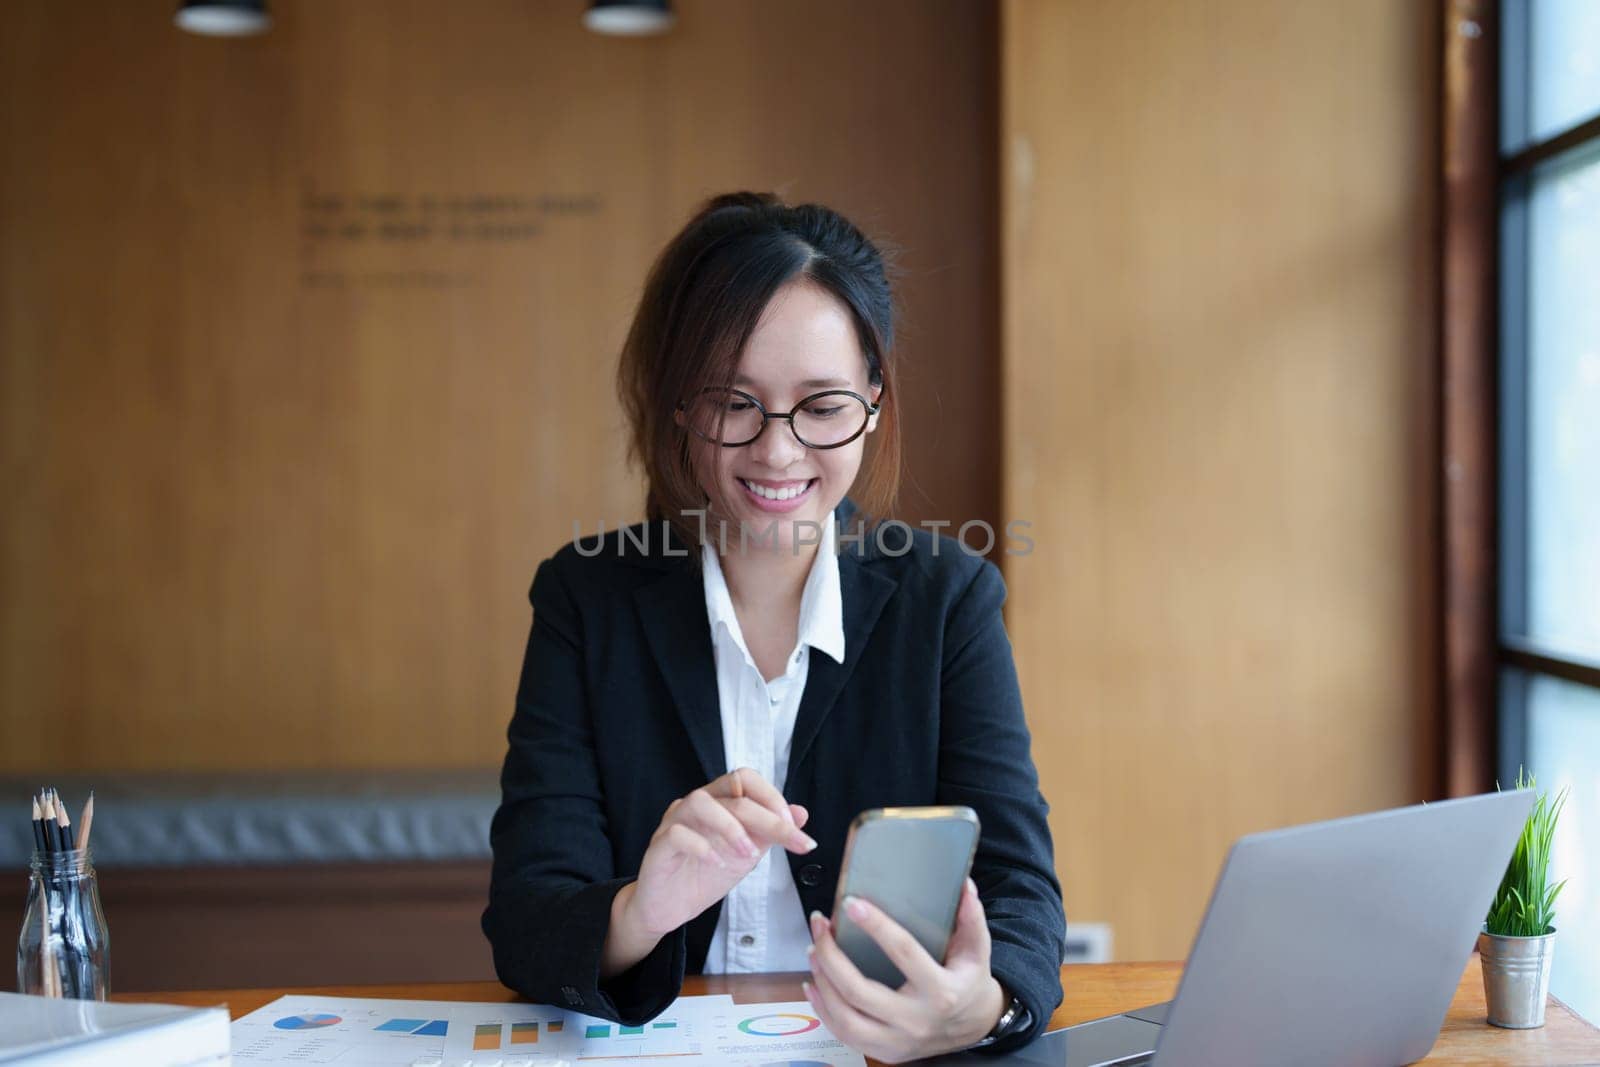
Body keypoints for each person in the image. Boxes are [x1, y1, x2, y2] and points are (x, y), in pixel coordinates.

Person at [483, 191, 1064, 1061]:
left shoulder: (948, 598)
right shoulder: (585, 598)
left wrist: (983, 1007)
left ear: (874, 399)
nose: (779, 452)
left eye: (823, 406)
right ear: (679, 404)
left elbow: (1020, 892)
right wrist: (644, 905)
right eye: (735, 402)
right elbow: (527, 918)